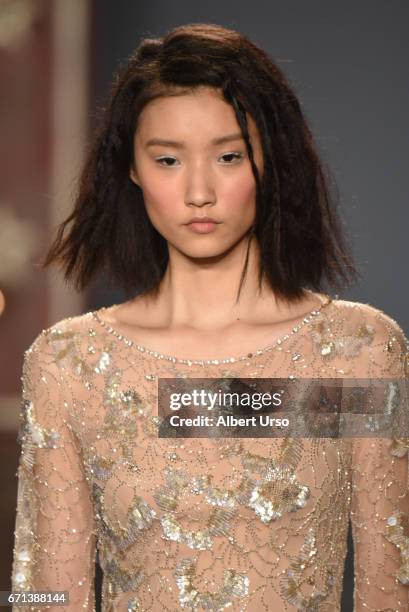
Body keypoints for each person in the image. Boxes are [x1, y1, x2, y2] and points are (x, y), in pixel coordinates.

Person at [11, 22, 408, 612]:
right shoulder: (71, 366)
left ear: (270, 159)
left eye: (227, 156)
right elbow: (45, 595)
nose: (199, 190)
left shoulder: (355, 353)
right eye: (168, 159)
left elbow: (391, 585)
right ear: (132, 169)